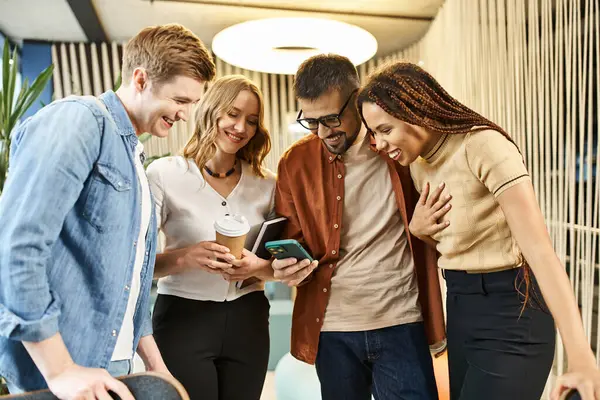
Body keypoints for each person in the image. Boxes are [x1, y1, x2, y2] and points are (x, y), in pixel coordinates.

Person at [357, 61, 600, 400]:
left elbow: (541, 251)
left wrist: (581, 357)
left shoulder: (482, 145)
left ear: (414, 111)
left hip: (513, 307)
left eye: (384, 129)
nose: (378, 143)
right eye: (373, 133)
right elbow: (457, 241)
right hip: (460, 304)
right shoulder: (417, 165)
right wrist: (418, 229)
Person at [0, 24, 215, 399]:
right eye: (180, 101)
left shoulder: (134, 157)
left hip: (110, 366)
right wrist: (61, 369)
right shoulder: (79, 122)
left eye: (192, 104)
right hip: (59, 371)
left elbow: (129, 278)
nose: (185, 115)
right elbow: (16, 248)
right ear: (141, 79)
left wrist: (157, 368)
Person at [271, 54, 445, 400]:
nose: (324, 132)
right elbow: (291, 239)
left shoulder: (398, 146)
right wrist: (287, 267)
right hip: (333, 329)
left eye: (332, 118)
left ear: (358, 97)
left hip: (401, 320)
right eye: (312, 121)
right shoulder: (295, 162)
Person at [147, 75, 276, 400]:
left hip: (249, 319)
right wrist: (185, 257)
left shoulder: (267, 184)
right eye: (232, 114)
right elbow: (137, 263)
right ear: (211, 110)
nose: (240, 127)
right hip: (182, 319)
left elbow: (282, 265)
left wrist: (257, 267)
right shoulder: (164, 174)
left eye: (251, 120)